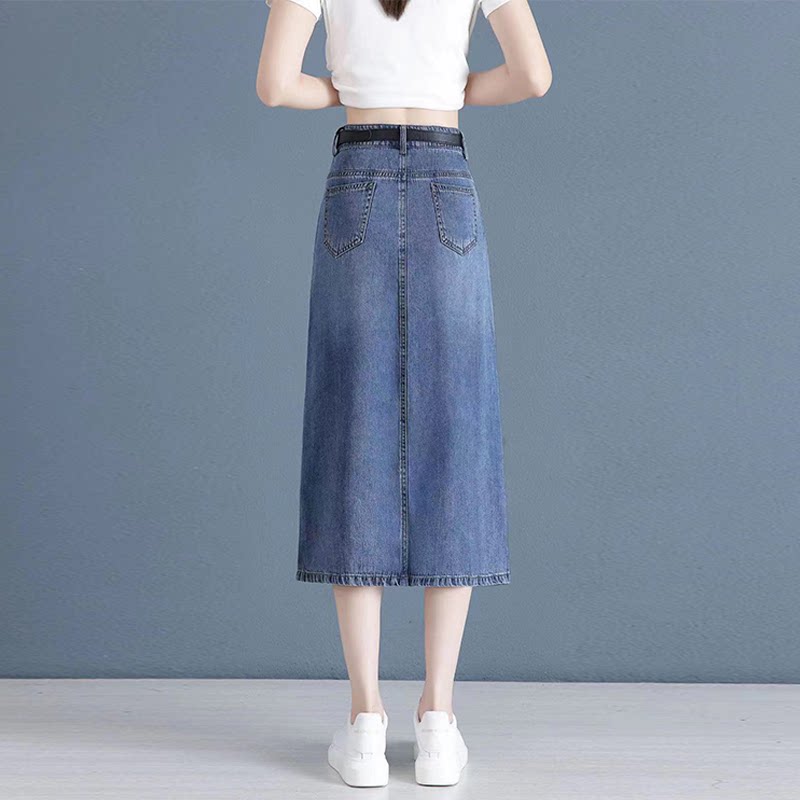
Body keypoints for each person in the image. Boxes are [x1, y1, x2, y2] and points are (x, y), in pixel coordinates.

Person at [256, 0, 551, 787]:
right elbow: (533, 76)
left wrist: (345, 88)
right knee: (456, 434)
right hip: (446, 177)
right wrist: (450, 85)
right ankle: (438, 721)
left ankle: (364, 723)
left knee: (354, 432)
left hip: (356, 179)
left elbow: (276, 85)